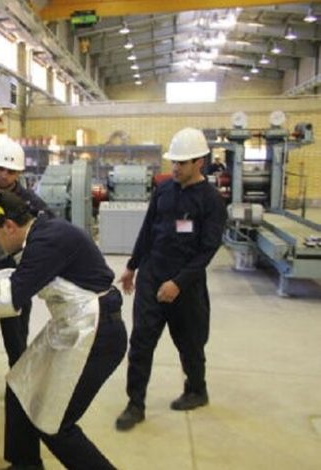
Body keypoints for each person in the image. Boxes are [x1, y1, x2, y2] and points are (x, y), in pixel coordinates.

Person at [0, 191, 127, 470]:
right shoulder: (40, 233)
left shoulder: (46, 241)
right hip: (72, 324)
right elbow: (14, 278)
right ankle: (25, 465)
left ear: (9, 226)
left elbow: (11, 296)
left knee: (55, 425)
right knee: (20, 385)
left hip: (97, 332)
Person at [115, 127, 227, 431]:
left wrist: (178, 283)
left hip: (186, 285)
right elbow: (148, 230)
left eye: (182, 162)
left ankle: (197, 390)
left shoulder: (211, 201)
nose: (175, 167)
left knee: (191, 344)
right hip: (152, 278)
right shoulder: (164, 190)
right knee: (141, 343)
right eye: (173, 161)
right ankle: (135, 404)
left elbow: (208, 250)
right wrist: (132, 266)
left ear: (199, 162)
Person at [0, 139, 50, 465]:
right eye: (0, 168)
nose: (3, 175)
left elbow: (47, 224)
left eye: (10, 171)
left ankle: (19, 385)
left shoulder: (29, 202)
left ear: (18, 173)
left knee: (16, 338)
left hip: (15, 282)